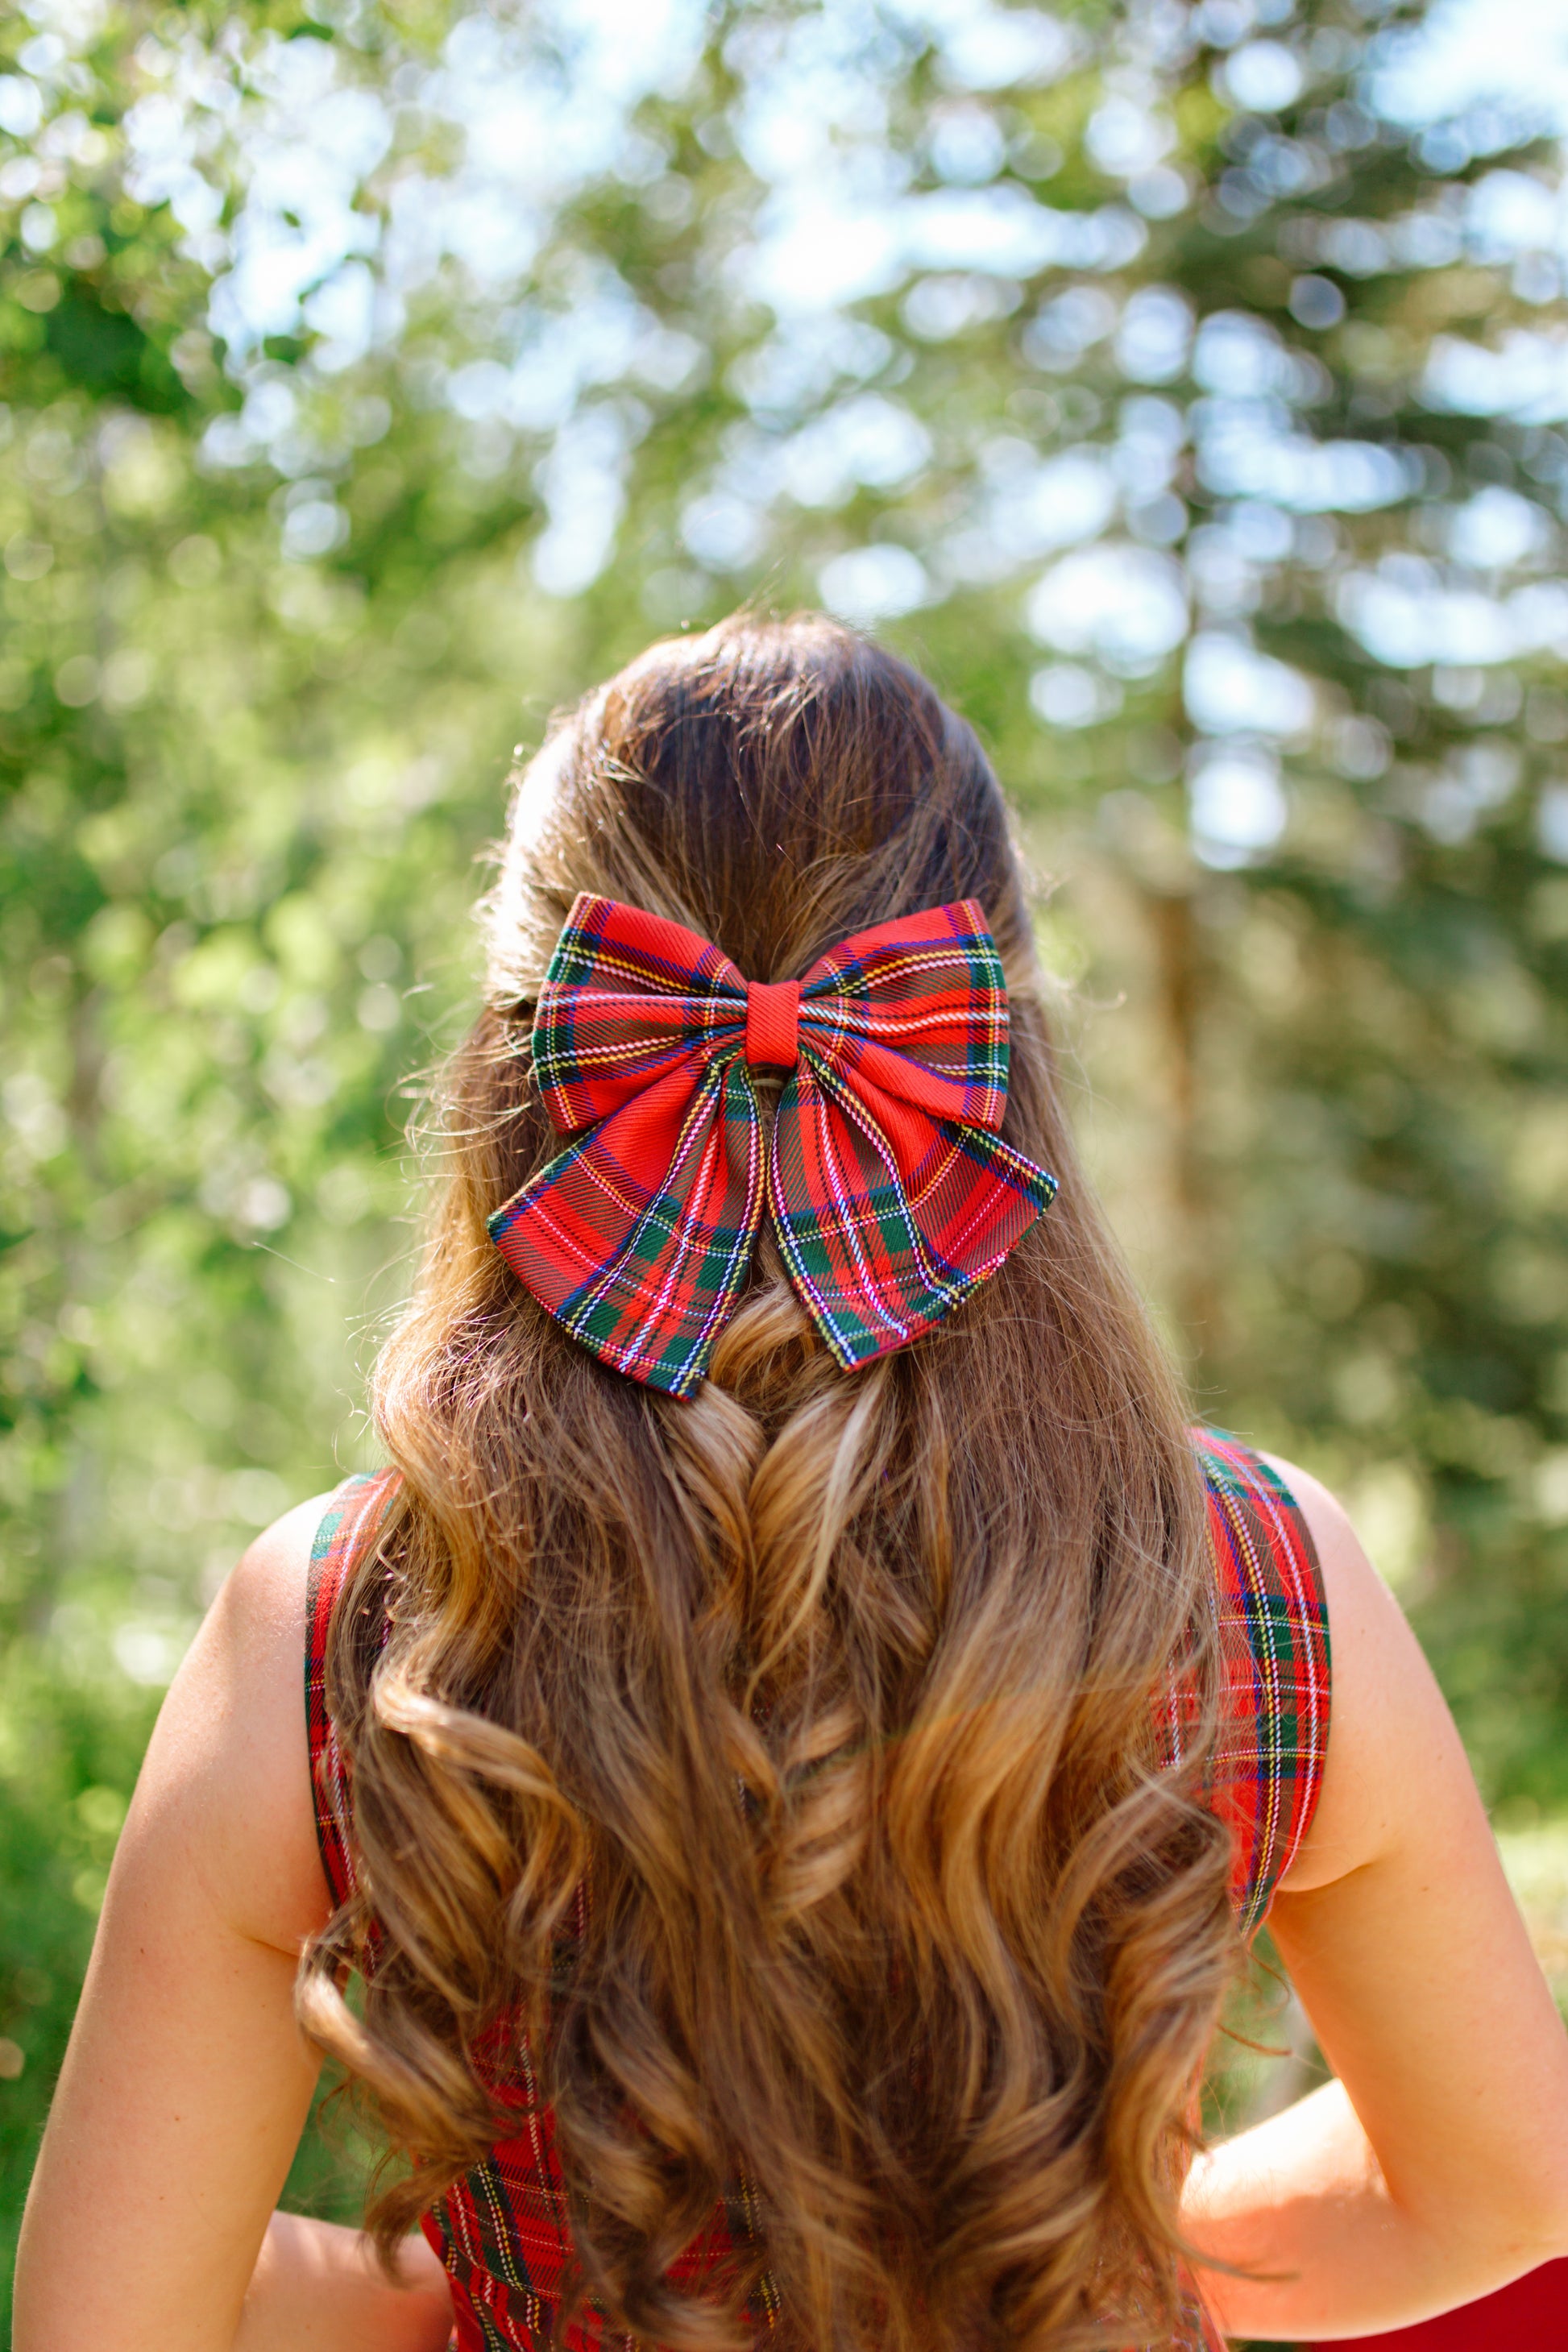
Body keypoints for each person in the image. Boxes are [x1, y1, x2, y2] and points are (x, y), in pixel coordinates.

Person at [16, 616, 1568, 2352]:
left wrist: (496, 2292)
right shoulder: (1262, 1580)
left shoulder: (335, 1625)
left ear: (527, 1062)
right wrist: (1075, 2245)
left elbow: (110, 2320)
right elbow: (1495, 2184)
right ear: (1001, 1054)